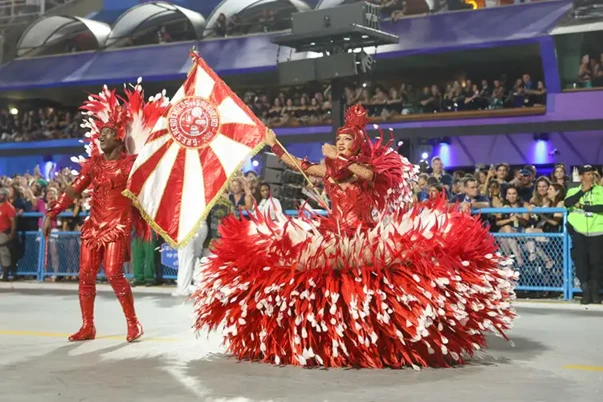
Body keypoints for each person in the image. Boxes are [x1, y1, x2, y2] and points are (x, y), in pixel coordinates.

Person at [192, 105, 516, 369]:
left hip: (365, 236)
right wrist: (273, 143)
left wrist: (338, 156)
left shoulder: (364, 169)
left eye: (346, 141)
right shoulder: (330, 171)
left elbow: (368, 175)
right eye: (339, 140)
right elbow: (295, 164)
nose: (342, 144)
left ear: (356, 144)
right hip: (335, 234)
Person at [43, 82, 168, 341]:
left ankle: (134, 324)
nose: (100, 137)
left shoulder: (130, 164)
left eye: (107, 133)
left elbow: (156, 180)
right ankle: (88, 326)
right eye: (100, 134)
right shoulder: (94, 164)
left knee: (113, 273)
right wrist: (51, 213)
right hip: (93, 225)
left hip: (118, 225)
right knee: (85, 276)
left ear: (119, 138)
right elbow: (74, 191)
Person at [564, 165, 603, 305]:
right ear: (581, 177)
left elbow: (601, 207)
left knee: (597, 264)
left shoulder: (600, 190)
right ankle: (586, 292)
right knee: (581, 263)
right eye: (587, 174)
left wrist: (583, 206)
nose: (591, 176)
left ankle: (595, 293)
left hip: (598, 232)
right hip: (580, 233)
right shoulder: (573, 190)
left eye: (592, 174)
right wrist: (582, 192)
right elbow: (567, 203)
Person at [0, 187, 16, 281]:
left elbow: (13, 221)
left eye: (2, 194)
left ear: (6, 196)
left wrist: (12, 232)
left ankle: (5, 274)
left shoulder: (9, 207)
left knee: (3, 252)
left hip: (4, 232)